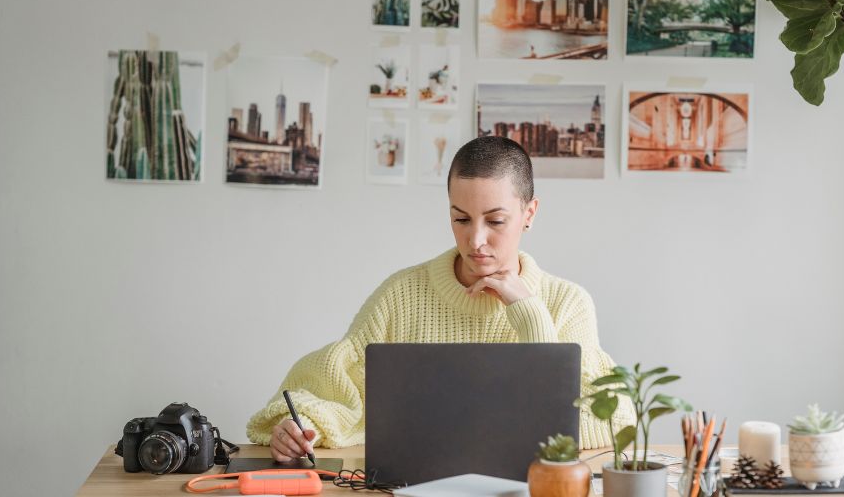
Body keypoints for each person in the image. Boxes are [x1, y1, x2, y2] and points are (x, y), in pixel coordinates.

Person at [247, 136, 634, 462]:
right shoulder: (401, 294)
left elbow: (609, 422)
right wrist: (298, 428)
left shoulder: (567, 302)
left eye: (496, 221)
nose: (476, 240)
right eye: (461, 219)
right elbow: (338, 390)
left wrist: (527, 309)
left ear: (529, 213)